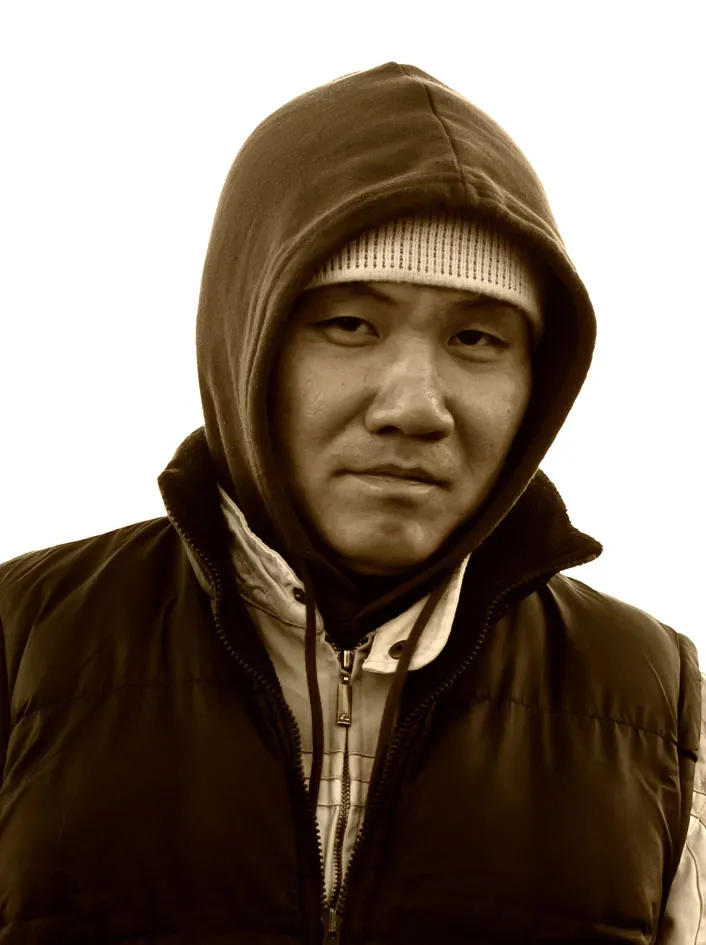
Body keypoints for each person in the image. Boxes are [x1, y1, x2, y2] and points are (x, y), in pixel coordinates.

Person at [0, 61, 702, 944]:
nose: (414, 405)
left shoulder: (656, 701)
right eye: (349, 324)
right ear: (246, 341)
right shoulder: (26, 641)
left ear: (540, 380)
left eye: (477, 337)